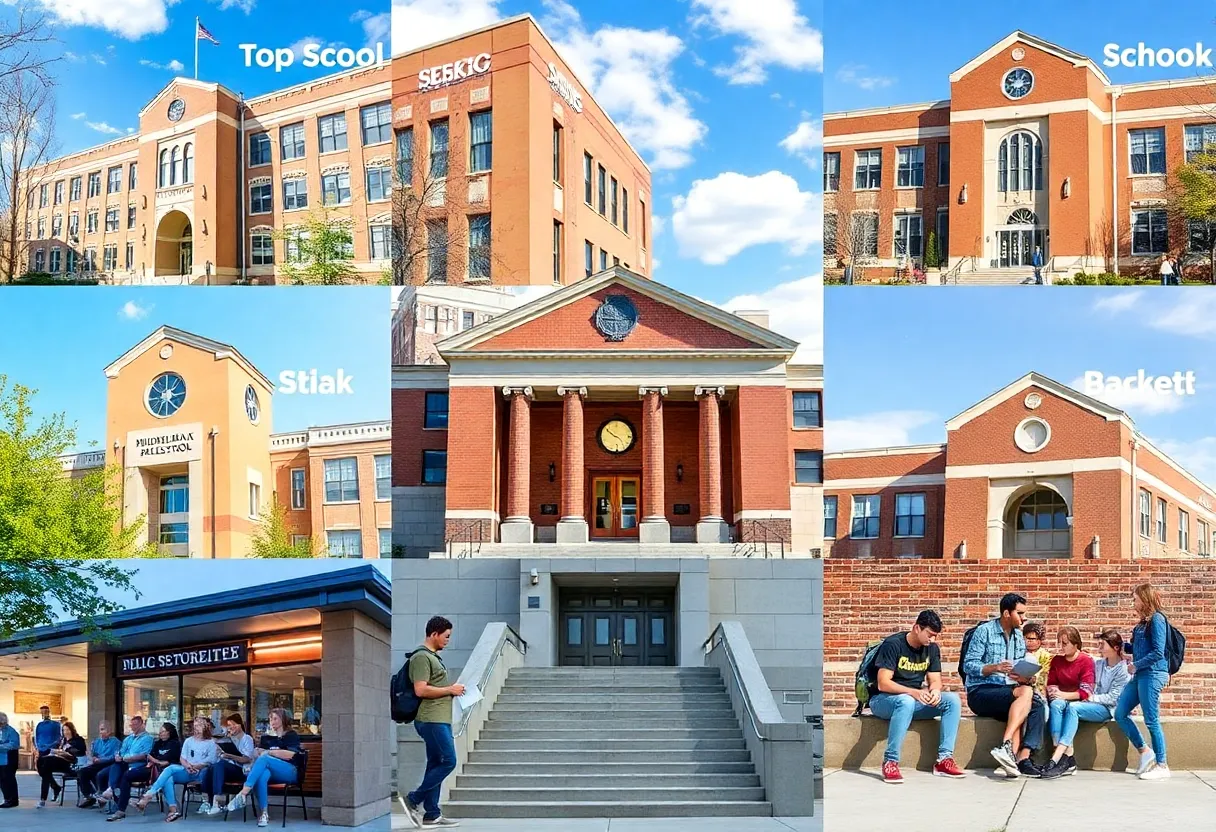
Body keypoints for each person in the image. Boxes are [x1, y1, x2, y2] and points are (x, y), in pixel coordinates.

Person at [866, 610, 966, 784]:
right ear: (917, 628)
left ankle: (944, 760)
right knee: (905, 701)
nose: (932, 640)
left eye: (935, 636)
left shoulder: (932, 649)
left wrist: (934, 690)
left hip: (912, 703)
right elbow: (883, 683)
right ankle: (890, 761)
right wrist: (914, 692)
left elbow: (935, 680)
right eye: (929, 635)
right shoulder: (893, 644)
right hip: (883, 701)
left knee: (952, 701)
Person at [963, 592, 1045, 777]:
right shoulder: (984, 631)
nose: (1024, 618)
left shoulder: (1018, 636)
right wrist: (995, 667)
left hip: (1008, 689)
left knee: (1037, 704)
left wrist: (1025, 676)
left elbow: (1017, 668)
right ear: (1007, 613)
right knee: (1026, 695)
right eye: (1020, 613)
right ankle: (1007, 746)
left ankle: (1021, 759)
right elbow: (969, 665)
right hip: (981, 691)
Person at [403, 615, 466, 828]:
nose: (448, 640)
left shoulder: (433, 657)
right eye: (446, 636)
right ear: (434, 634)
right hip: (431, 720)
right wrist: (450, 689)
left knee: (436, 763)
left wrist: (453, 691)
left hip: (440, 719)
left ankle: (432, 813)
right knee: (449, 761)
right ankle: (413, 799)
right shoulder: (421, 657)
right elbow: (420, 689)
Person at [1041, 628, 1130, 780]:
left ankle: (1056, 757)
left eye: (1103, 644)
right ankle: (1066, 757)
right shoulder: (1100, 663)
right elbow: (1083, 660)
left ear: (1115, 648)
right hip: (1091, 705)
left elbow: (1114, 698)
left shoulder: (1123, 669)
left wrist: (1091, 698)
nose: (1099, 647)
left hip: (1108, 709)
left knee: (1073, 707)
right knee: (1062, 705)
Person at [1116, 583, 1172, 780]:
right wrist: (1119, 645)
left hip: (1153, 673)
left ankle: (1162, 764)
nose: (1133, 602)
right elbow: (1138, 648)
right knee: (1120, 713)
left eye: (1135, 598)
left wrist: (1136, 664)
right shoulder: (1142, 623)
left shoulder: (1157, 619)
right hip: (1141, 674)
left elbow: (1158, 651)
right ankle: (1145, 751)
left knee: (1151, 719)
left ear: (1144, 599)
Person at [225, 707, 303, 828]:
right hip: (272, 772)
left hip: (290, 771)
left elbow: (291, 755)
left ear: (283, 719)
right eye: (270, 718)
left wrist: (269, 753)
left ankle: (243, 793)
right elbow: (259, 754)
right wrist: (258, 751)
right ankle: (264, 814)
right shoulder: (266, 738)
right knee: (262, 774)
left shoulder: (291, 735)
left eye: (275, 718)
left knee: (265, 758)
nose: (272, 721)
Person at [134, 717, 219, 821]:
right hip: (187, 770)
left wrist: (195, 766)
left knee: (170, 770)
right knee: (169, 775)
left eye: (199, 726)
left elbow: (211, 761)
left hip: (202, 773)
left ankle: (151, 796)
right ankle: (172, 809)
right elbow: (182, 758)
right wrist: (187, 766)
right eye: (195, 726)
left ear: (206, 727)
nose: (196, 728)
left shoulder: (211, 743)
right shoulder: (188, 741)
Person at [96, 715, 154, 820]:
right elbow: (121, 752)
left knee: (121, 775)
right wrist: (118, 756)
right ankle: (109, 793)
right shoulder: (128, 738)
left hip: (137, 765)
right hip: (123, 763)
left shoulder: (147, 738)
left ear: (142, 724)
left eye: (135, 725)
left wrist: (128, 758)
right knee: (102, 774)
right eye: (131, 725)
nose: (133, 727)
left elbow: (145, 755)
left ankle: (112, 797)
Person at [201, 713, 256, 815]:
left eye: (234, 724)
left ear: (240, 724)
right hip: (228, 769)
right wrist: (221, 752)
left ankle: (216, 801)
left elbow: (247, 759)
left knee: (220, 765)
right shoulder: (229, 738)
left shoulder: (247, 738)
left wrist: (229, 755)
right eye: (229, 725)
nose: (232, 727)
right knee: (211, 767)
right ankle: (208, 801)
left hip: (241, 770)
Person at [35, 719, 86, 807]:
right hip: (61, 761)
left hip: (72, 764)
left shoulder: (78, 740)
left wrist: (64, 753)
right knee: (41, 762)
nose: (66, 732)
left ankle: (48, 794)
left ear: (72, 730)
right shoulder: (63, 741)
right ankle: (53, 789)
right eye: (64, 730)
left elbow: (79, 753)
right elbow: (61, 751)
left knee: (46, 762)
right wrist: (58, 752)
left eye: (67, 730)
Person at [78, 720, 121, 808]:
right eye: (100, 730)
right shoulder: (96, 742)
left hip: (109, 764)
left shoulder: (115, 742)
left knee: (98, 773)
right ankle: (90, 795)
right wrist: (93, 757)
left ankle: (102, 796)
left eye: (103, 729)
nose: (101, 732)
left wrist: (100, 760)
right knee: (82, 772)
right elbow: (93, 754)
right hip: (97, 763)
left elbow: (115, 756)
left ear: (109, 731)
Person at [1022, 622, 1052, 697]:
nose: (1027, 641)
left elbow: (1044, 675)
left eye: (1031, 639)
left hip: (1039, 691)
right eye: (1025, 638)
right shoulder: (1018, 653)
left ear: (1039, 641)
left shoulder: (1046, 656)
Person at [0, 713, 19, 809]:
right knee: (2, 780)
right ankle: (7, 799)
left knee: (9, 779)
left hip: (10, 758)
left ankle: (13, 800)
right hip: (1, 759)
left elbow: (14, 744)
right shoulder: (1, 731)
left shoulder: (11, 731)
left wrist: (1, 746)